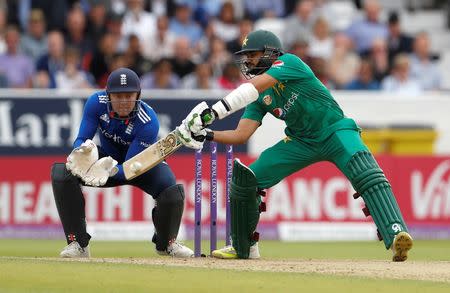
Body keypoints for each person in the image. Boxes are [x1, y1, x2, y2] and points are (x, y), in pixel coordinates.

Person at [176, 30, 413, 262]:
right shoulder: (259, 96)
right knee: (247, 179)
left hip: (335, 129)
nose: (247, 61)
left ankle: (396, 234)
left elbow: (251, 89)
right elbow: (241, 135)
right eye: (246, 56)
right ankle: (243, 247)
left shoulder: (289, 62)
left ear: (270, 53)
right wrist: (207, 134)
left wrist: (213, 113)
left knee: (366, 172)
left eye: (253, 54)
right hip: (300, 141)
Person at [51, 68, 193, 258]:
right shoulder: (95, 102)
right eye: (118, 96)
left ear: (138, 95)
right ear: (108, 96)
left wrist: (103, 172)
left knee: (172, 192)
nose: (124, 101)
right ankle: (78, 244)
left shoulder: (148, 120)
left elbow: (129, 167)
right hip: (108, 158)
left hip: (140, 164)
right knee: (62, 173)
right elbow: (82, 138)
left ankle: (166, 244)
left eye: (129, 95)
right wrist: (81, 152)